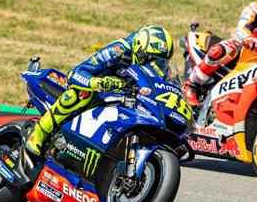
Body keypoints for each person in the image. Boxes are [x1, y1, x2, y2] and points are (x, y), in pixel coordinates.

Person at [26, 25, 174, 156]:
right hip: (95, 89)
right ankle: (39, 133)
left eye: (161, 62)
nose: (156, 66)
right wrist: (99, 82)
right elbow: (77, 72)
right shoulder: (119, 50)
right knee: (81, 94)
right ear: (139, 50)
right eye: (151, 60)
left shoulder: (161, 70)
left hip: (122, 96)